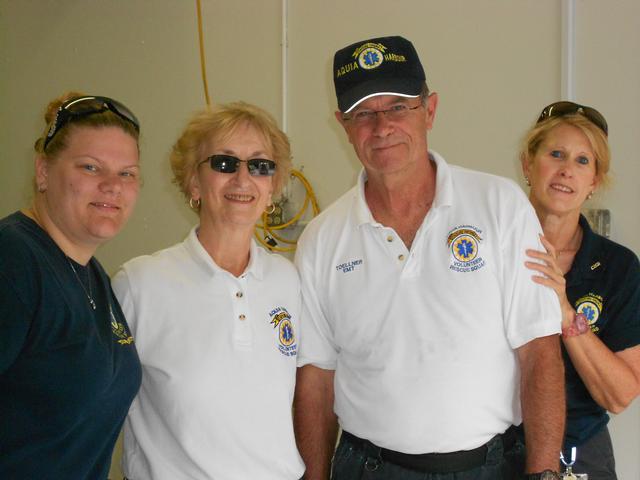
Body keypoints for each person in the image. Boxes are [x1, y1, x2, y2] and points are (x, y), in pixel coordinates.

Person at [293, 35, 565, 480]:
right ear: (343, 125)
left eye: (398, 107)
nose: (381, 127)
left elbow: (539, 350)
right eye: (364, 114)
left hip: (492, 466)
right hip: (370, 468)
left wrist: (545, 473)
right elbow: (315, 379)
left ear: (430, 110)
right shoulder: (323, 239)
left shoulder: (500, 205)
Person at [112, 102, 305, 480]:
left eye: (260, 166)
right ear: (193, 182)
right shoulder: (139, 284)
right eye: (224, 163)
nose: (243, 178)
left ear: (272, 188)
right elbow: (91, 409)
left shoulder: (289, 281)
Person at [0, 92, 142, 479]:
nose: (113, 186)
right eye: (91, 168)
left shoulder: (92, 274)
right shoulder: (13, 261)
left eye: (127, 173)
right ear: (43, 171)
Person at [521, 101, 640, 479]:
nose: (566, 170)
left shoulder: (618, 267)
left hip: (578, 455)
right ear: (528, 164)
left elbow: (619, 395)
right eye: (556, 154)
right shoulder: (486, 248)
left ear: (595, 182)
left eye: (582, 161)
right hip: (489, 451)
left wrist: (565, 312)